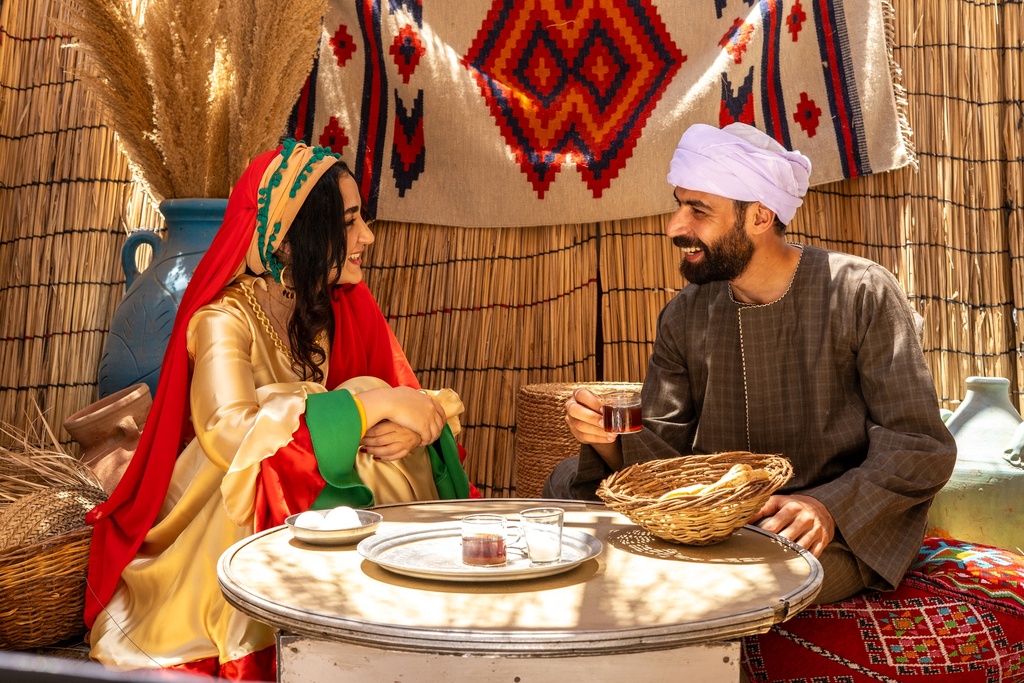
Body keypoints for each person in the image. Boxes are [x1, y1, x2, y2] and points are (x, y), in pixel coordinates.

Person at [85, 140, 473, 679]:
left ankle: (374, 612)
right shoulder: (223, 318)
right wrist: (371, 405)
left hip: (315, 497)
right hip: (227, 510)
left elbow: (415, 401)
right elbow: (228, 435)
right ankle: (288, 621)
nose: (367, 237)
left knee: (361, 408)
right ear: (288, 241)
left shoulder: (338, 301)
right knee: (293, 423)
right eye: (349, 222)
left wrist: (406, 423)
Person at [545, 123, 957, 604]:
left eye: (698, 211)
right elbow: (662, 452)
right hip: (712, 520)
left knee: (741, 587)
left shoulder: (859, 291)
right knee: (563, 490)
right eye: (679, 205)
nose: (676, 227)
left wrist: (826, 507)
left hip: (826, 526)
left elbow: (920, 443)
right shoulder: (686, 312)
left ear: (760, 217)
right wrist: (607, 438)